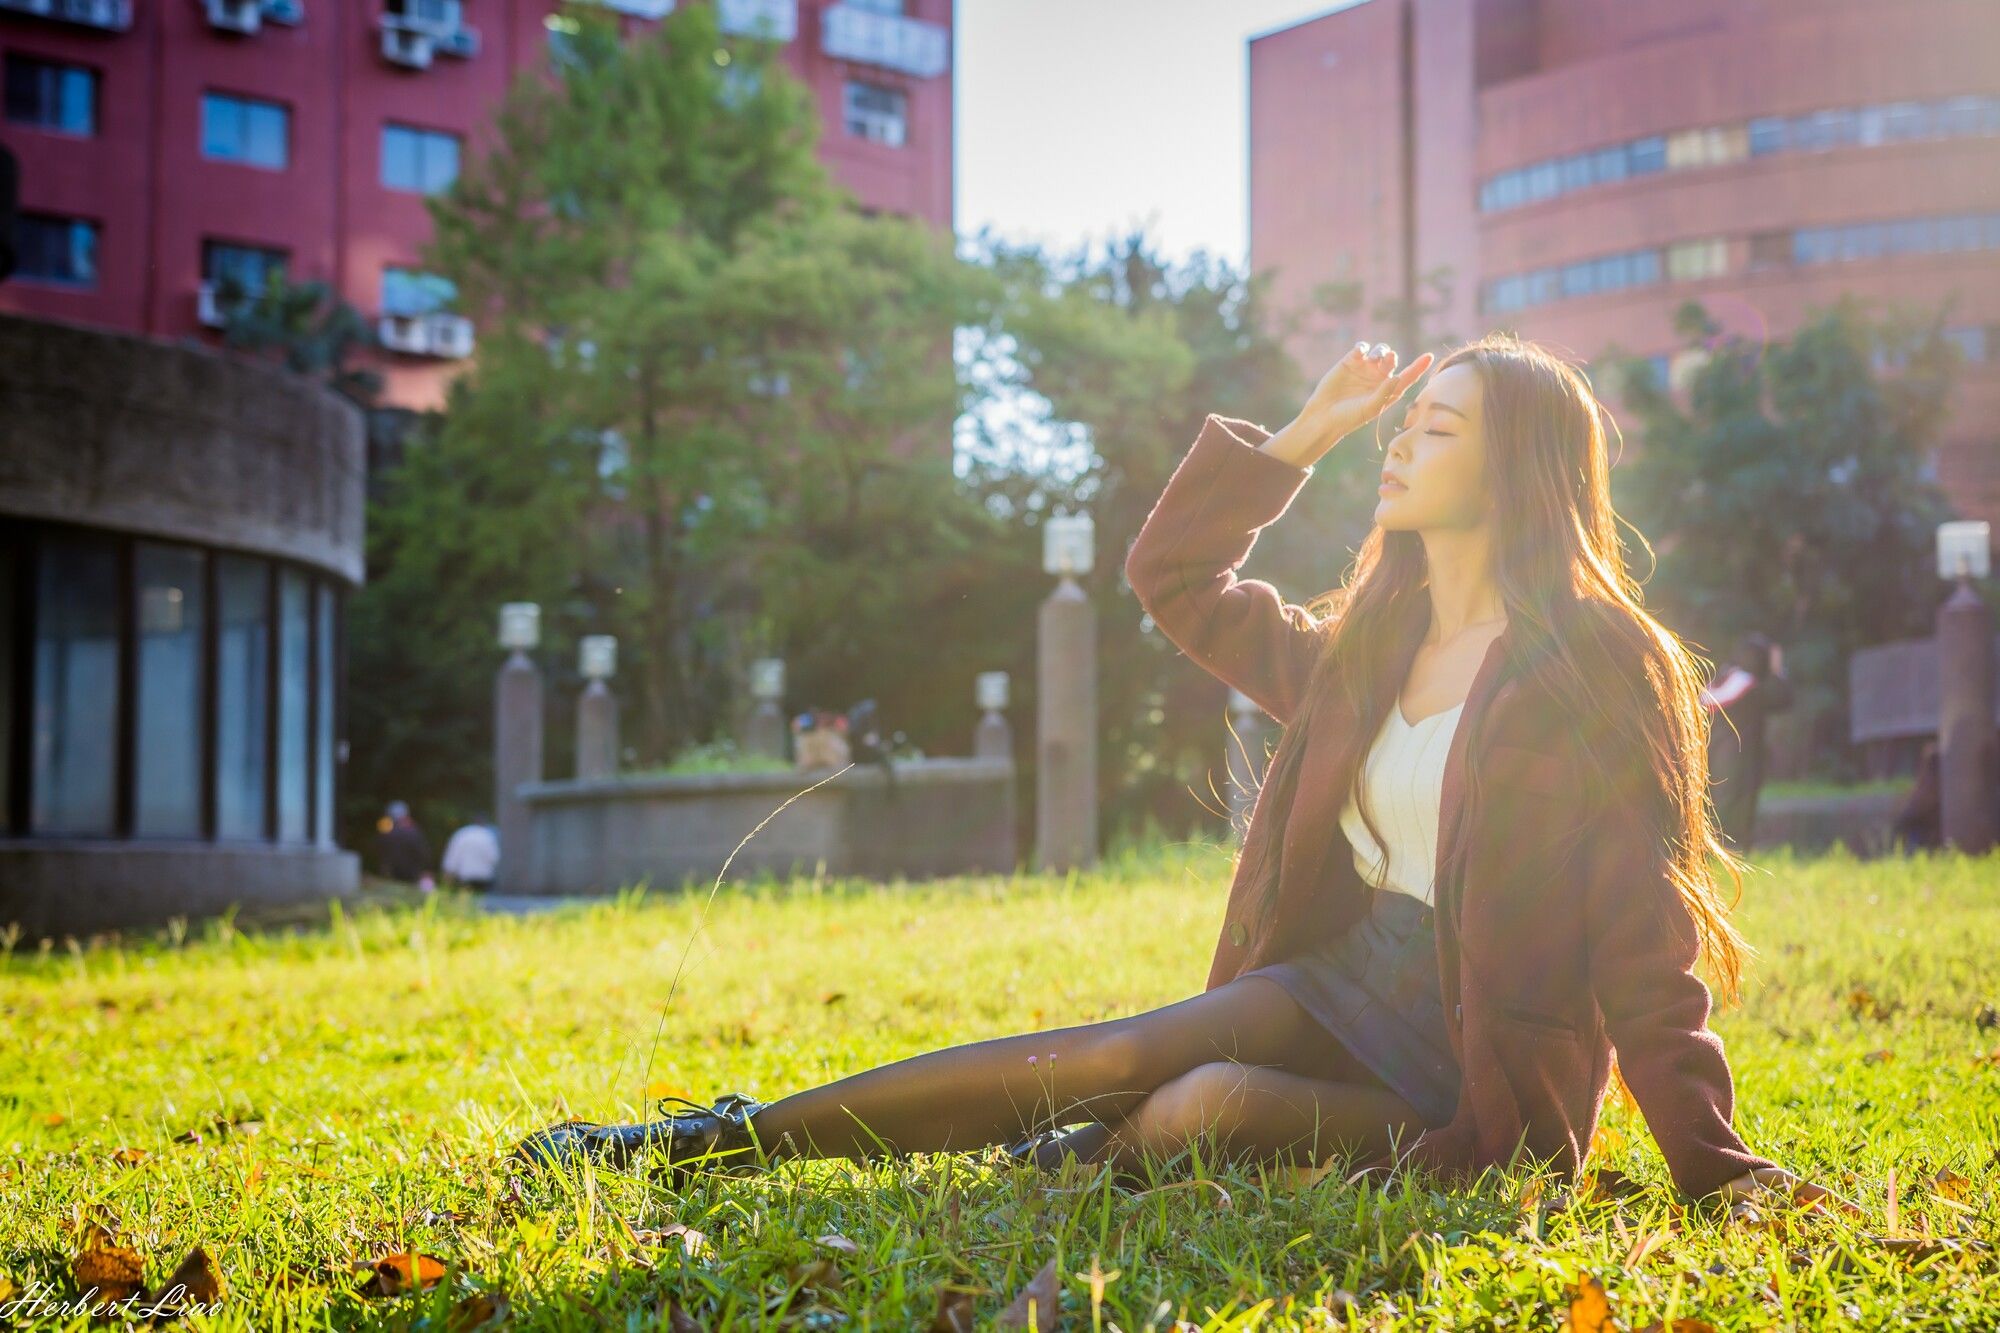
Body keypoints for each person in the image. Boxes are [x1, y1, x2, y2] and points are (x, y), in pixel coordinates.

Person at [514, 336, 1856, 1218]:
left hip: (1478, 1060)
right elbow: (1172, 578)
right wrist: (1300, 440)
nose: (1401, 445)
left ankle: (1090, 1159)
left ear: (1518, 468)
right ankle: (703, 1144)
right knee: (1115, 1051)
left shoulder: (1596, 664)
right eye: (1407, 426)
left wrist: (1714, 1166)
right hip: (1344, 981)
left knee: (1198, 1107)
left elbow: (1645, 929)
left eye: (1434, 430)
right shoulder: (1365, 650)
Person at [1700, 632, 1794, 850]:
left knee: (1717, 802)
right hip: (1743, 758)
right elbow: (1784, 699)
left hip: (1714, 755)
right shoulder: (1750, 687)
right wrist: (1778, 670)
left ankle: (1714, 847)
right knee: (1736, 805)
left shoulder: (1722, 679)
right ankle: (1733, 848)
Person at [374, 800, 433, 890]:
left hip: (391, 875)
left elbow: (379, 851)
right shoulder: (413, 831)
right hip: (412, 875)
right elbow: (423, 853)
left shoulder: (385, 832)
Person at [440, 814, 501, 893]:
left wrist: (449, 873)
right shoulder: (488, 836)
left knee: (467, 900)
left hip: (465, 876)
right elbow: (494, 858)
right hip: (484, 877)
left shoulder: (462, 834)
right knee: (483, 902)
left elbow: (453, 856)